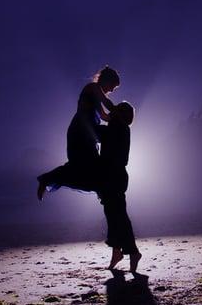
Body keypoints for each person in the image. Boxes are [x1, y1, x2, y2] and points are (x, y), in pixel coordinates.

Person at [37, 66, 120, 199]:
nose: (111, 90)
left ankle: (102, 191)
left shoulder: (97, 96)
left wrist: (119, 121)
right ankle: (46, 179)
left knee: (88, 167)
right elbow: (108, 104)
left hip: (89, 133)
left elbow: (105, 116)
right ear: (106, 80)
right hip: (80, 131)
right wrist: (119, 111)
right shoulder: (92, 87)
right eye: (112, 86)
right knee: (81, 165)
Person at [96, 102, 141, 272]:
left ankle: (132, 251)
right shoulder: (121, 128)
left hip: (113, 177)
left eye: (116, 110)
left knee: (118, 215)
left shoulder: (117, 128)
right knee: (114, 215)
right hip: (114, 177)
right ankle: (117, 252)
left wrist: (95, 108)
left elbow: (98, 131)